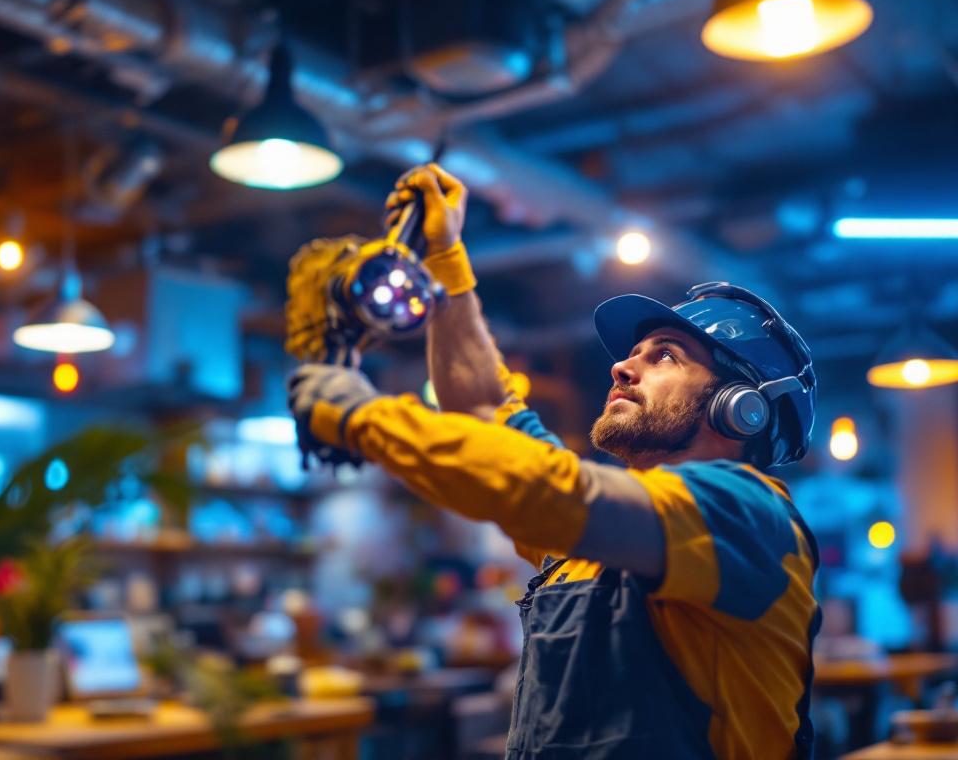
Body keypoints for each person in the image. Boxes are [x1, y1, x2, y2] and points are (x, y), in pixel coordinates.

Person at [288, 164, 821, 759]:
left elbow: (553, 492)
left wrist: (363, 415)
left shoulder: (748, 516)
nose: (622, 367)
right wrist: (445, 265)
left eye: (664, 356)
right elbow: (488, 409)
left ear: (739, 409)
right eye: (632, 354)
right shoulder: (597, 542)